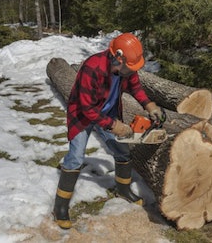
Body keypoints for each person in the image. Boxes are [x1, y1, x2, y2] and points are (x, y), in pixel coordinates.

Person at [52, 33, 164, 229]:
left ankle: (123, 190)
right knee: (76, 157)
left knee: (122, 151)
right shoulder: (92, 68)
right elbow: (87, 108)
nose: (132, 71)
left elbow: (136, 87)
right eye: (130, 67)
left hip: (108, 112)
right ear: (117, 58)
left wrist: (150, 105)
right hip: (82, 115)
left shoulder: (126, 69)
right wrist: (114, 126)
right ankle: (60, 207)